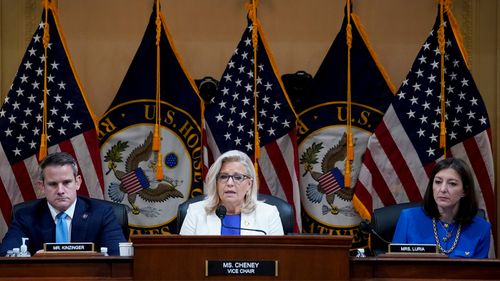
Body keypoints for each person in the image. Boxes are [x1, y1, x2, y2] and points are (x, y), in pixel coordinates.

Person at [0, 152, 126, 256]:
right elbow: (6, 256)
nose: (60, 191)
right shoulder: (25, 216)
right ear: (42, 186)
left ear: (77, 182)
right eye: (53, 184)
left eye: (66, 182)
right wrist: (36, 259)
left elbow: (118, 258)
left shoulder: (102, 213)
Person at [392, 158, 491, 258]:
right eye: (438, 182)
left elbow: (479, 272)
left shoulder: (481, 228)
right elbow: (394, 267)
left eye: (452, 183)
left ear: (464, 191)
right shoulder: (409, 218)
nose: (443, 189)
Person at [180, 150, 284, 235]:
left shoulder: (269, 214)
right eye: (224, 177)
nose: (230, 183)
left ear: (249, 184)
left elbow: (279, 257)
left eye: (238, 177)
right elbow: (185, 257)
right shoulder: (195, 212)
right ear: (216, 183)